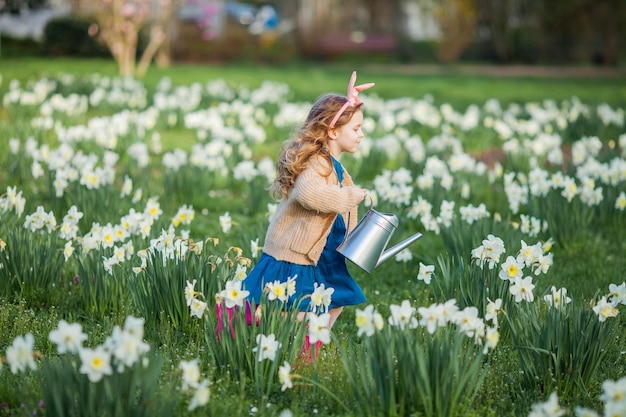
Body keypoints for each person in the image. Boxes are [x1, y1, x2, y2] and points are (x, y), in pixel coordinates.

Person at [244, 71, 373, 353]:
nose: (361, 134)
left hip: (326, 253)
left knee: (338, 298)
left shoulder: (336, 166)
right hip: (299, 250)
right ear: (333, 131)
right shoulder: (317, 163)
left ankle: (308, 349)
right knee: (298, 311)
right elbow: (309, 194)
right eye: (356, 128)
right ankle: (247, 317)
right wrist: (349, 197)